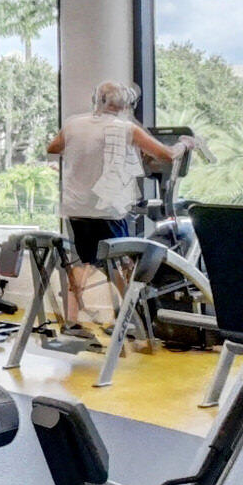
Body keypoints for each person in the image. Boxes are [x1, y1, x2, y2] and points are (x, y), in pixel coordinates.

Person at [46, 81, 176, 331]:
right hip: (107, 210)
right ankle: (130, 318)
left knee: (84, 262)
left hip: (77, 210)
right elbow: (166, 155)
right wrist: (185, 145)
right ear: (126, 104)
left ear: (96, 100)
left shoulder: (74, 123)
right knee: (123, 263)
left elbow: (53, 148)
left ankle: (72, 319)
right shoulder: (126, 129)